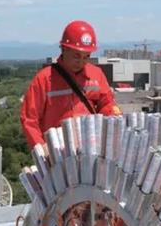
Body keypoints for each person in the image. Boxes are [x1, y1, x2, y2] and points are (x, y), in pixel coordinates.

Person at [20, 20, 121, 148]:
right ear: (64, 49)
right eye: (77, 56)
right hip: (56, 153)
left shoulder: (96, 75)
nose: (81, 62)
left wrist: (115, 120)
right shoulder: (44, 79)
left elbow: (107, 104)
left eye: (86, 56)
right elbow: (29, 119)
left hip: (90, 149)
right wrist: (40, 147)